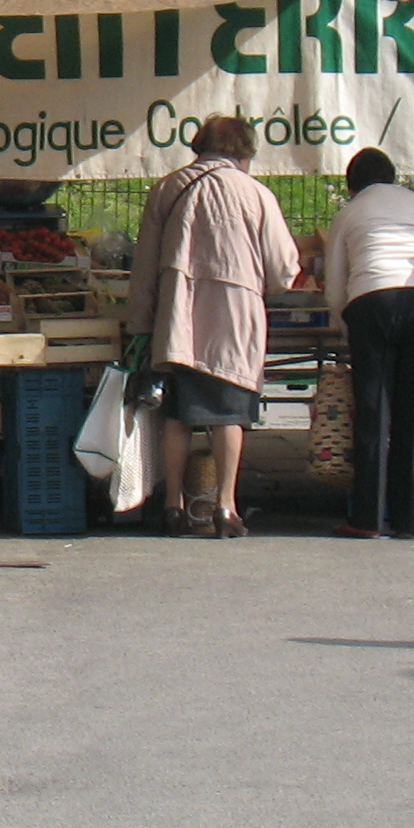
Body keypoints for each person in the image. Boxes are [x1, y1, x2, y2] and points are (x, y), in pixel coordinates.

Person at [128, 115, 302, 537]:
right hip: (232, 315)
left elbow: (145, 267)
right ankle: (225, 508)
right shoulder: (257, 194)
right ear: (244, 151)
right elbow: (282, 272)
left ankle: (173, 506)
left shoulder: (168, 189)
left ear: (199, 146)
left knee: (177, 414)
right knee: (228, 412)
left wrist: (141, 324)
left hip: (179, 315)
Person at [320, 149, 414, 539]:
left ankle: (367, 518)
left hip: (371, 303)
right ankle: (409, 520)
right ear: (392, 176)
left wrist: (345, 326)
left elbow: (335, 286)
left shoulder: (347, 214)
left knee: (373, 413)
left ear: (353, 184)